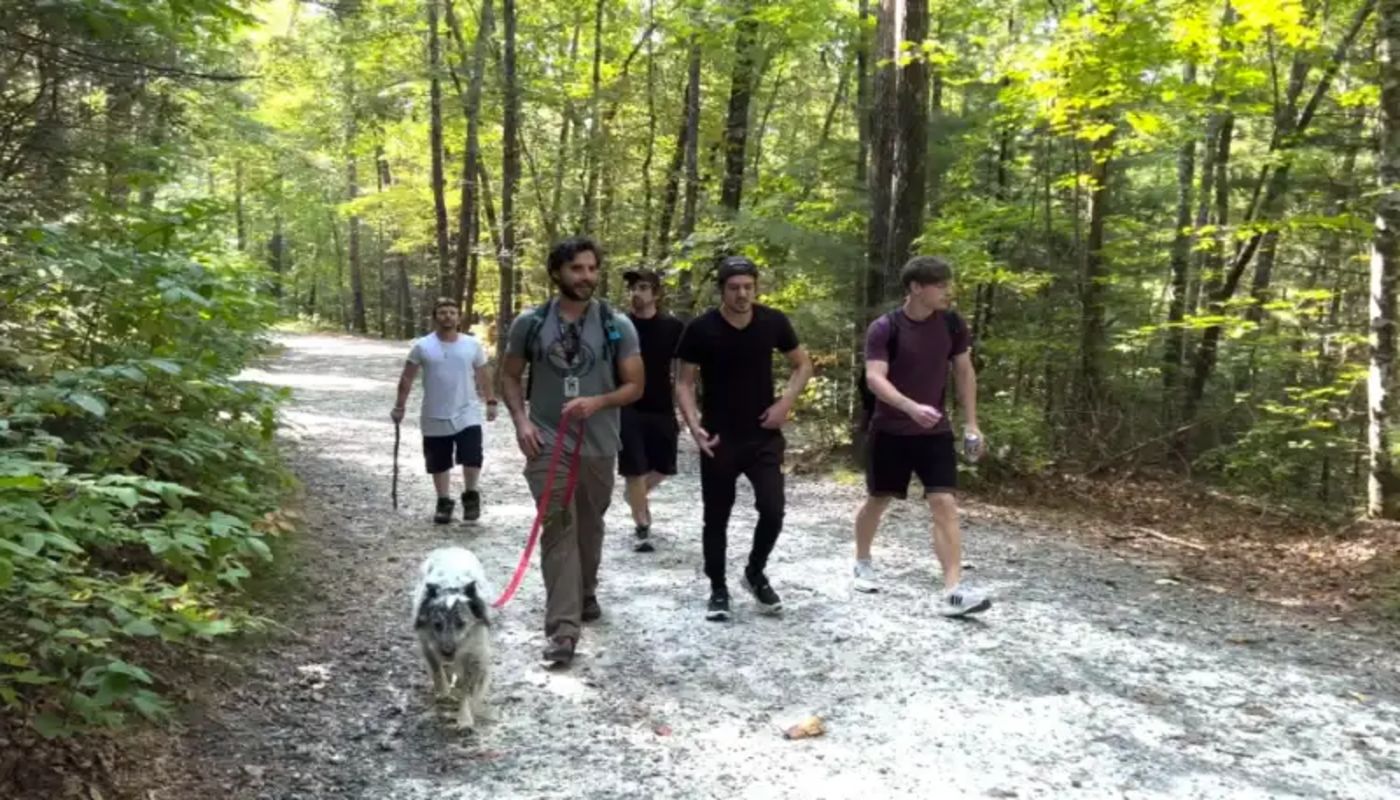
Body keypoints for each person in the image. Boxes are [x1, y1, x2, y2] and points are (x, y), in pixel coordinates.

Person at [501, 236, 643, 666]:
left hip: (599, 442)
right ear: (556, 272)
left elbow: (635, 386)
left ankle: (584, 591)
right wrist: (522, 422)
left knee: (589, 526)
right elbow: (509, 376)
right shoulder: (530, 323)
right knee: (558, 525)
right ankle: (563, 630)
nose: (586, 277)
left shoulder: (617, 324)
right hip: (547, 440)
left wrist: (597, 402)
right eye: (577, 268)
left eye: (592, 268)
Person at [675, 256, 813, 621]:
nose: (742, 294)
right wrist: (693, 425)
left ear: (756, 288)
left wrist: (785, 403)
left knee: (773, 508)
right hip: (718, 437)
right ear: (721, 290)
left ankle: (755, 572)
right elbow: (684, 383)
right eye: (734, 288)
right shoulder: (701, 328)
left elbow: (802, 364)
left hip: (763, 434)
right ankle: (718, 588)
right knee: (716, 516)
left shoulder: (773, 321)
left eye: (748, 287)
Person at [854, 255, 990, 617]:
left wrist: (972, 423)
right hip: (890, 430)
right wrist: (910, 406)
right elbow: (874, 378)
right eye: (940, 285)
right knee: (878, 499)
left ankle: (954, 590)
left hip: (935, 432)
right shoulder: (885, 328)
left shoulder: (952, 324)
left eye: (948, 284)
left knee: (944, 502)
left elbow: (964, 371)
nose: (948, 291)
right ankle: (862, 561)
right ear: (916, 287)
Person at [391, 298, 497, 524]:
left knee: (472, 455)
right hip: (434, 412)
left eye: (452, 312)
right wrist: (399, 406)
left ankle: (471, 496)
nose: (447, 316)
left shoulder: (471, 345)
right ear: (435, 317)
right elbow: (407, 378)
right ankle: (443, 502)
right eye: (442, 312)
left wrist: (491, 401)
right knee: (438, 460)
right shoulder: (422, 346)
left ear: (459, 318)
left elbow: (484, 374)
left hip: (467, 411)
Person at [618, 267, 685, 552]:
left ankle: (634, 496)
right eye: (633, 288)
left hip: (661, 406)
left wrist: (685, 408)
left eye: (643, 288)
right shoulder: (620, 326)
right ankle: (642, 526)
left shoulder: (673, 327)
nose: (636, 293)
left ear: (656, 293)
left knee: (664, 466)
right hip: (627, 406)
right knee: (634, 469)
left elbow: (684, 372)